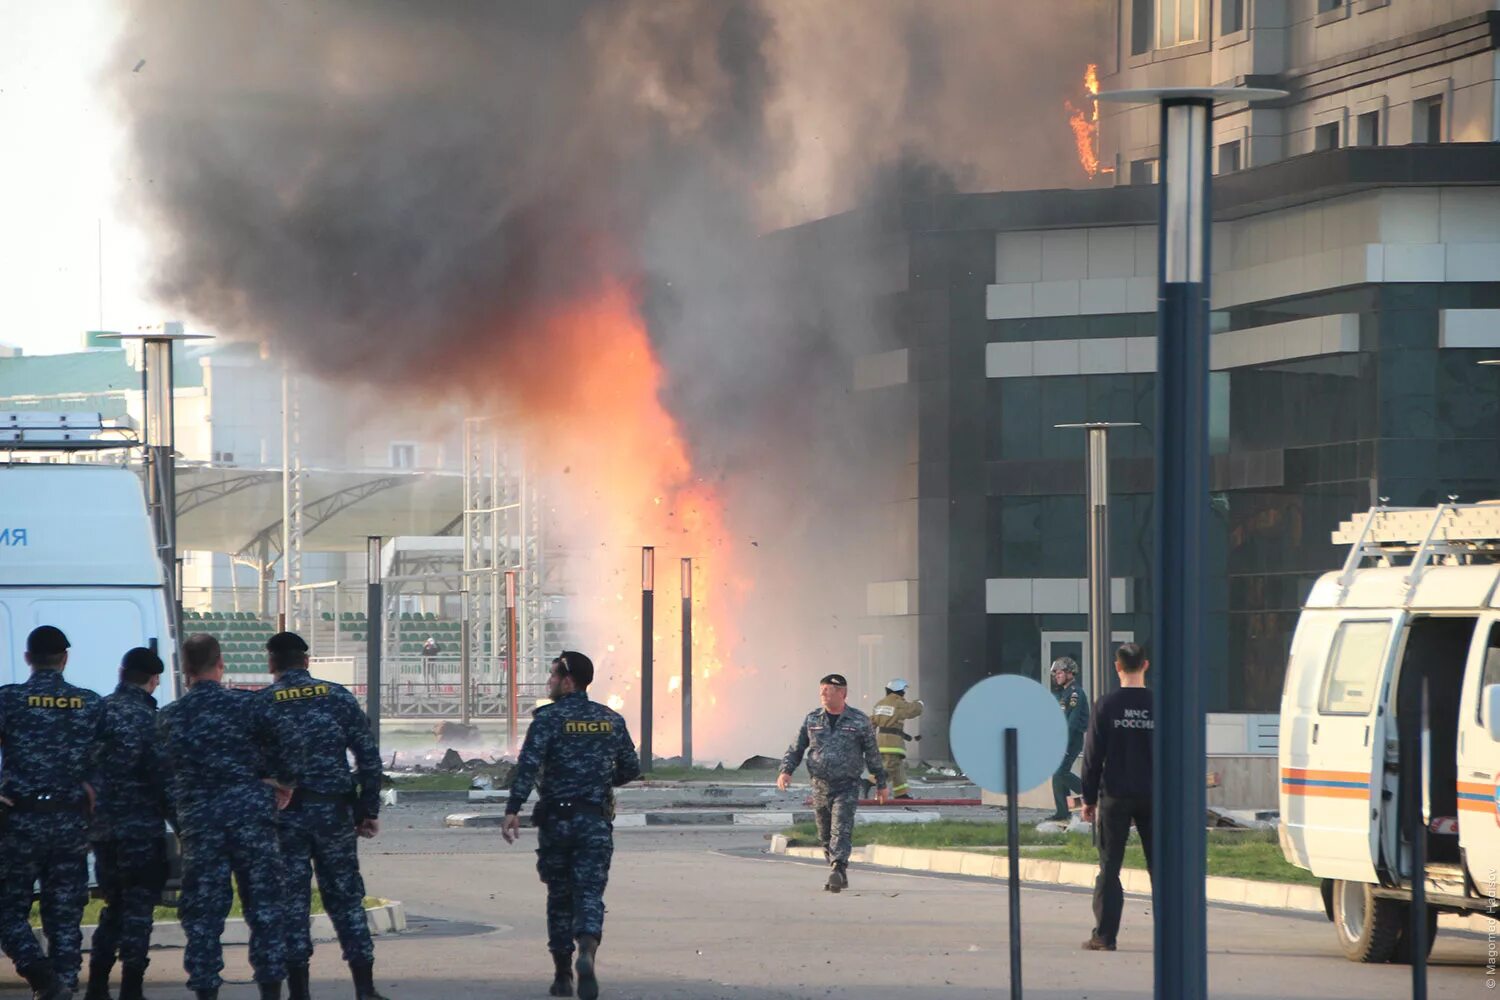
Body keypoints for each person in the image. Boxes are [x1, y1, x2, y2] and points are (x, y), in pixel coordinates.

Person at [159, 633, 302, 1000]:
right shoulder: (249, 706)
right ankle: (271, 989)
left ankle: (206, 990)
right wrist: (281, 783)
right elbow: (289, 748)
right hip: (251, 817)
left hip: (201, 823)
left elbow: (159, 777)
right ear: (220, 663)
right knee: (265, 908)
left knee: (203, 915)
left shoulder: (170, 717)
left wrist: (180, 815)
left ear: (185, 669)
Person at [501, 651, 640, 1000]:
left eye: (552, 676)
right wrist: (599, 780)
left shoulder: (548, 719)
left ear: (568, 680)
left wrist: (513, 808)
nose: (548, 682)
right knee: (590, 893)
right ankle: (588, 950)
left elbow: (528, 766)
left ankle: (563, 976)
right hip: (594, 819)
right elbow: (629, 768)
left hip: (557, 821)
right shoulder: (610, 719)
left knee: (559, 896)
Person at [259, 631, 389, 1000]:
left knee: (292, 904)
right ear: (307, 661)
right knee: (347, 900)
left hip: (286, 818)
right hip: (334, 814)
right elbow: (368, 757)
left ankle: (299, 992)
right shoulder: (336, 697)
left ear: (272, 664)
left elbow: (253, 765)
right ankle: (365, 988)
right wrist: (367, 809)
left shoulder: (264, 704)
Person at [0, 625, 105, 1000]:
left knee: (8, 909)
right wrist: (93, 785)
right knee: (64, 914)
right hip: (69, 823)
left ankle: (42, 978)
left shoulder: (9, 700)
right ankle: (63, 984)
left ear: (28, 659)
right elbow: (113, 757)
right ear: (65, 658)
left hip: (20, 824)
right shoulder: (90, 703)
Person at [86, 647, 172, 1000]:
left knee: (114, 907)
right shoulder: (150, 720)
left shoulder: (96, 712)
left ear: (121, 672)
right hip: (141, 833)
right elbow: (163, 780)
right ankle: (132, 988)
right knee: (138, 910)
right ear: (154, 681)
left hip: (103, 833)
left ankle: (96, 985)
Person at [777, 673, 889, 893]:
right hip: (820, 785)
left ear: (842, 693)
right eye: (822, 691)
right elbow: (797, 748)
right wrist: (786, 771)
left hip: (846, 785)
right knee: (825, 834)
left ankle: (838, 867)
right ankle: (838, 870)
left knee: (841, 829)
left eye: (828, 690)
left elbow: (872, 753)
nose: (823, 695)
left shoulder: (859, 720)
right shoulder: (812, 719)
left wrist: (881, 782)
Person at [1079, 642, 1154, 951]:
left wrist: (1088, 798)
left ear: (1117, 667)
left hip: (1115, 796)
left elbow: (1092, 755)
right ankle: (1171, 936)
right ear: (1145, 665)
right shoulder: (1160, 704)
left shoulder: (1106, 705)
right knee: (1161, 867)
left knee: (1110, 867)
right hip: (1155, 796)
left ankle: (1105, 936)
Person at [1048, 657, 1090, 822]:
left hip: (1071, 740)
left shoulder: (1075, 693)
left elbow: (1072, 722)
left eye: (1059, 672)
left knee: (1061, 772)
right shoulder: (1063, 693)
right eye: (1055, 673)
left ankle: (1091, 794)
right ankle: (1062, 812)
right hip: (1062, 739)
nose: (1056, 676)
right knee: (1057, 775)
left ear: (1070, 673)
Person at [870, 679, 923, 799]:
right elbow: (913, 710)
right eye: (903, 691)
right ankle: (871, 782)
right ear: (899, 690)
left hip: (880, 741)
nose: (904, 693)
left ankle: (901, 793)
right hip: (892, 742)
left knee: (897, 767)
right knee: (891, 766)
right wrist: (919, 703)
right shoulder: (898, 703)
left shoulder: (880, 704)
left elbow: (872, 721)